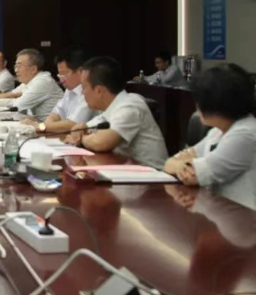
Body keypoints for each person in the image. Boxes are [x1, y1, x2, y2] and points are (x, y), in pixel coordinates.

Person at [164, 64, 256, 210]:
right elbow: (169, 163)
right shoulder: (217, 132)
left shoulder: (246, 134)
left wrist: (184, 165)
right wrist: (181, 165)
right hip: (220, 212)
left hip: (244, 218)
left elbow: (192, 176)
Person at [65, 56, 168, 169]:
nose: (82, 93)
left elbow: (101, 142)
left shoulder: (130, 105)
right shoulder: (111, 107)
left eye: (84, 88)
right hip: (128, 171)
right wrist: (80, 131)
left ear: (99, 90)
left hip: (153, 176)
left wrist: (81, 139)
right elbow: (81, 129)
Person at [0, 49, 62, 120]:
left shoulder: (42, 82)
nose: (16, 70)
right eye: (15, 66)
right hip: (38, 123)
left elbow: (18, 105)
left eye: (19, 66)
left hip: (50, 127)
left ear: (33, 69)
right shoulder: (30, 81)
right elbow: (13, 93)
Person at [31, 49, 96, 133]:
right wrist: (45, 126)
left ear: (80, 71)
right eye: (59, 74)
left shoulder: (89, 91)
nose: (61, 79)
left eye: (64, 73)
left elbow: (72, 124)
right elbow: (55, 114)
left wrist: (40, 127)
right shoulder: (69, 89)